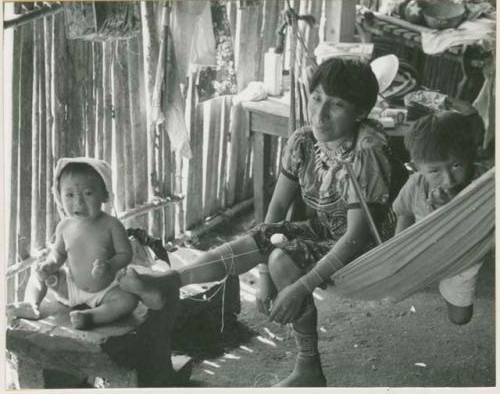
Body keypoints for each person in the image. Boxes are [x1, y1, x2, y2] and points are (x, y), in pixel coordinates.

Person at [117, 57, 401, 386]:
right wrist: (263, 276)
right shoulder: (304, 142)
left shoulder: (367, 153)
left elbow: (354, 238)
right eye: (317, 98)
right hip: (326, 230)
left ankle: (308, 368)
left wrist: (299, 287)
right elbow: (277, 208)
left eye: (336, 105)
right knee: (265, 237)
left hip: (367, 246)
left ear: (360, 112)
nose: (320, 114)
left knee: (285, 258)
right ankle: (170, 282)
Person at [7, 158, 138, 330]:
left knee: (128, 300)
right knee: (38, 273)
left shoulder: (112, 225)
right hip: (69, 287)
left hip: (106, 289)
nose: (78, 203)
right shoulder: (64, 226)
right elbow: (58, 254)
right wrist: (50, 265)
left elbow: (125, 254)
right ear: (59, 196)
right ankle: (31, 304)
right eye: (69, 195)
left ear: (104, 194)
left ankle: (92, 317)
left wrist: (110, 265)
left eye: (88, 193)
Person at [393, 111, 488, 325]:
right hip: (424, 250)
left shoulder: (483, 185)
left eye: (456, 165)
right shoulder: (415, 185)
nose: (448, 179)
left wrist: (452, 207)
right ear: (417, 167)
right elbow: (405, 212)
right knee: (399, 288)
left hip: (465, 256)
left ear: (470, 157)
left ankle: (446, 286)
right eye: (434, 170)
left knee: (460, 318)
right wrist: (397, 253)